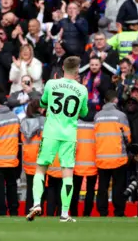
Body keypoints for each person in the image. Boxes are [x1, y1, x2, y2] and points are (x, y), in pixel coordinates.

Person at [26, 56, 89, 223]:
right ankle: (64, 213)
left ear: (62, 67)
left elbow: (44, 102)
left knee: (41, 169)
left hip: (50, 133)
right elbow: (83, 113)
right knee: (67, 174)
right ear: (77, 71)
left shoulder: (51, 84)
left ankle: (37, 203)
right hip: (69, 135)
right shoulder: (82, 89)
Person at [94, 90, 131, 217]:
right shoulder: (120, 115)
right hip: (118, 158)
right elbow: (127, 137)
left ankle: (102, 212)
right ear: (115, 100)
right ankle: (119, 211)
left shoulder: (97, 116)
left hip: (101, 157)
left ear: (104, 101)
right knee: (118, 187)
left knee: (102, 188)